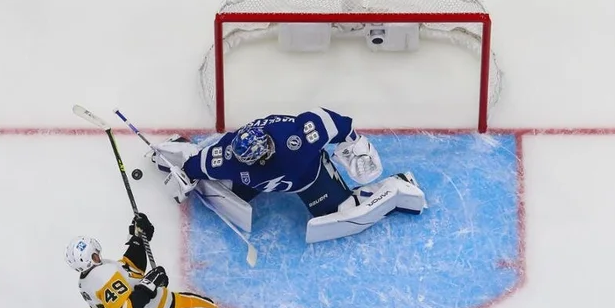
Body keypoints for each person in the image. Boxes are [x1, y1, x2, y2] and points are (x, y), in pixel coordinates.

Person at [150, 107, 427, 243]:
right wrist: (184, 174)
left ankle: (398, 184)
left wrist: (354, 142)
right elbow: (201, 163)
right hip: (267, 182)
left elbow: (333, 122)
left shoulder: (297, 140)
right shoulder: (231, 157)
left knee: (342, 210)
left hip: (310, 177)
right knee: (228, 187)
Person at [64, 213, 259, 308]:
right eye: (94, 255)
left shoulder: (89, 279)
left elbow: (130, 269)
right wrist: (149, 285)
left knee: (203, 304)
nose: (97, 256)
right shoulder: (100, 277)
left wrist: (138, 239)